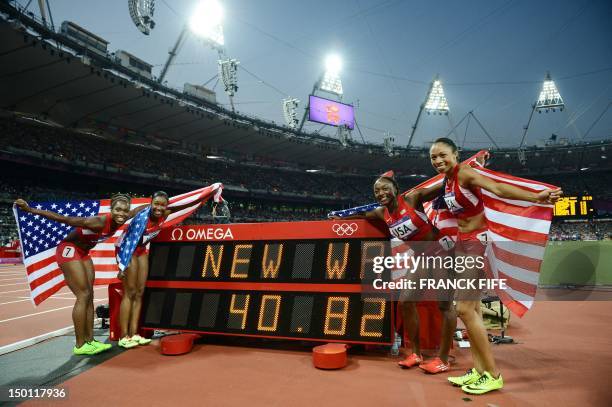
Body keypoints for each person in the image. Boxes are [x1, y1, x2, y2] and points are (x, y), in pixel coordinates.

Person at [428, 137, 562, 395]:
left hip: (477, 242)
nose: (438, 161)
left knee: (464, 308)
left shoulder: (465, 173)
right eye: (433, 157)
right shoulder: (448, 181)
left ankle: (493, 374)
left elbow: (497, 189)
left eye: (443, 155)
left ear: (456, 155)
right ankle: (479, 371)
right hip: (464, 243)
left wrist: (537, 196)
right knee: (473, 308)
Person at [330, 171, 457, 374]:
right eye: (376, 191)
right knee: (406, 302)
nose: (381, 193)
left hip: (443, 253)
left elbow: (442, 185)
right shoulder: (382, 213)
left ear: (395, 189)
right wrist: (339, 218)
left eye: (384, 188)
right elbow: (363, 215)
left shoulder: (412, 198)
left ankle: (443, 359)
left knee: (445, 305)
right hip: (422, 259)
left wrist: (460, 171)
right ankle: (416, 354)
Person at [14, 194, 132, 355]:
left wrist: (154, 206)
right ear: (111, 210)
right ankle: (79, 344)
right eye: (118, 209)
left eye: (125, 211)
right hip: (68, 249)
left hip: (83, 253)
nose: (122, 213)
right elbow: (63, 218)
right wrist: (30, 210)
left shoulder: (122, 218)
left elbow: (138, 211)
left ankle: (90, 341)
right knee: (83, 295)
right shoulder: (97, 221)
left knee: (89, 295)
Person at [116, 191, 214, 348]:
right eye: (156, 204)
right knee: (130, 292)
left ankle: (134, 334)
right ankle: (123, 336)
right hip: (128, 249)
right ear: (151, 202)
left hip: (141, 250)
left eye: (162, 205)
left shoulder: (165, 213)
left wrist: (205, 196)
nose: (159, 208)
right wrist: (122, 266)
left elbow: (186, 204)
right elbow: (127, 235)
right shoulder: (142, 216)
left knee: (140, 292)